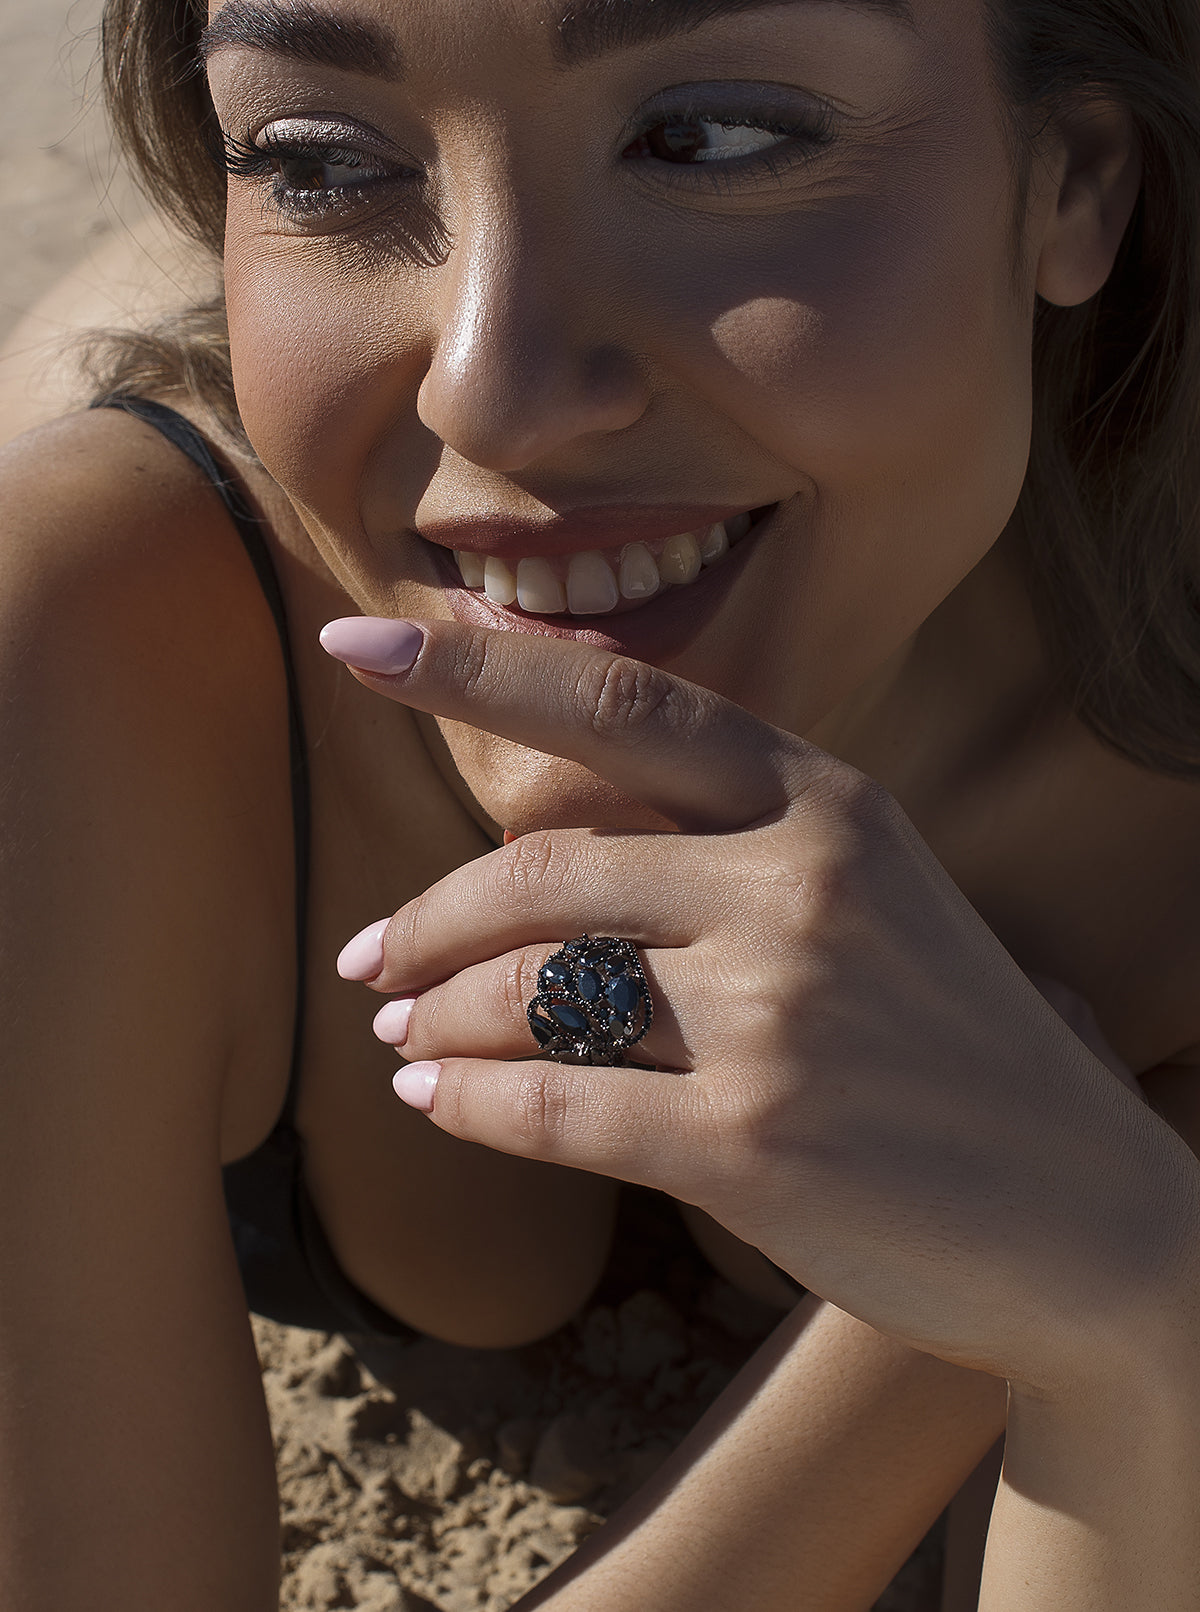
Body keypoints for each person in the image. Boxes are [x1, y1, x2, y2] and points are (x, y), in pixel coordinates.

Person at [1, 0, 1198, 1607]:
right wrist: (977, 1339)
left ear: (1076, 180)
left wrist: (1128, 1322)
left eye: (711, 138)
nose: (488, 395)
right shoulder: (92, 636)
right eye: (318, 159)